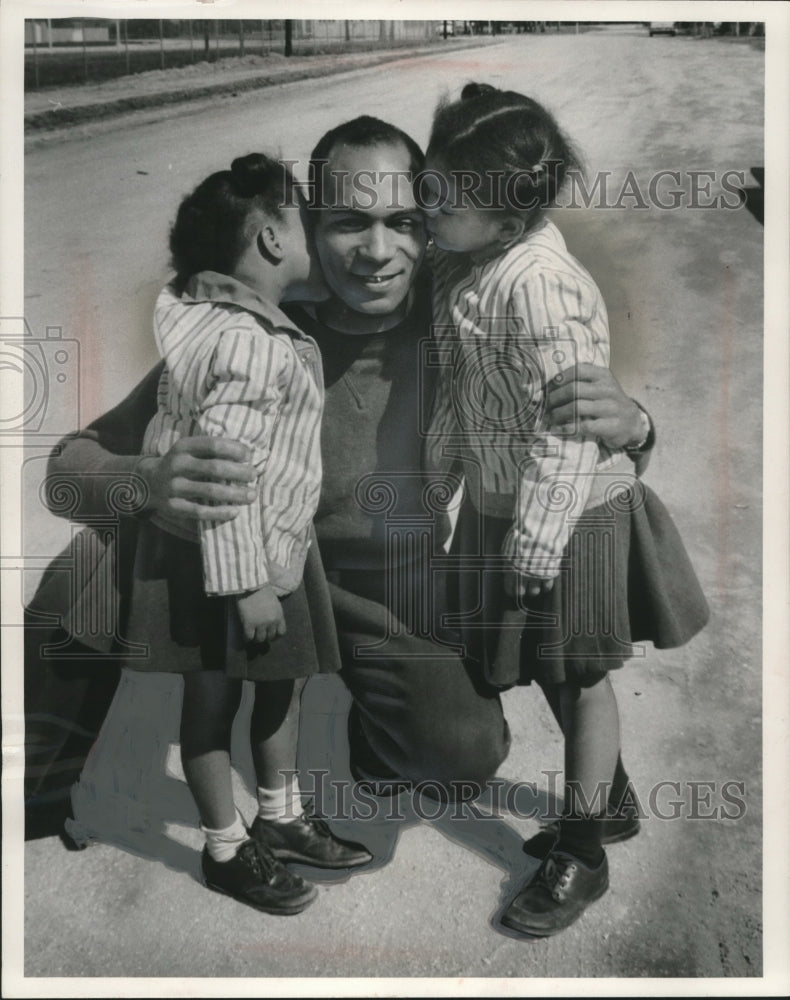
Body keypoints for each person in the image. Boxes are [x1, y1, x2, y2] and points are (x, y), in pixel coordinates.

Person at [35, 116, 653, 843]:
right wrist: (143, 480)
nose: (378, 252)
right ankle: (37, 784)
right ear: (307, 225)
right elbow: (67, 471)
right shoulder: (252, 327)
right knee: (89, 563)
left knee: (461, 757)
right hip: (260, 572)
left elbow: (562, 451)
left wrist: (636, 424)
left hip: (384, 586)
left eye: (404, 222)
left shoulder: (464, 315)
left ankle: (374, 713)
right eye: (348, 223)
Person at [419, 83, 709, 936]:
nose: (424, 211)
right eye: (427, 187)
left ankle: (584, 851)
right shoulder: (468, 264)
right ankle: (609, 797)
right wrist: (442, 482)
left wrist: (537, 543)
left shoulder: (540, 286)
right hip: (513, 502)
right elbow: (461, 393)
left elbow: (568, 431)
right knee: (548, 662)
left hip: (571, 512)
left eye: (441, 202)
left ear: (506, 226)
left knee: (580, 673)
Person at [131, 153, 374, 915]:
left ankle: (281, 817)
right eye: (306, 225)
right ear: (272, 239)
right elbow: (224, 473)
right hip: (234, 563)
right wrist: (248, 589)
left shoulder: (212, 322)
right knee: (212, 705)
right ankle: (227, 849)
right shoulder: (246, 342)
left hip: (270, 550)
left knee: (280, 687)